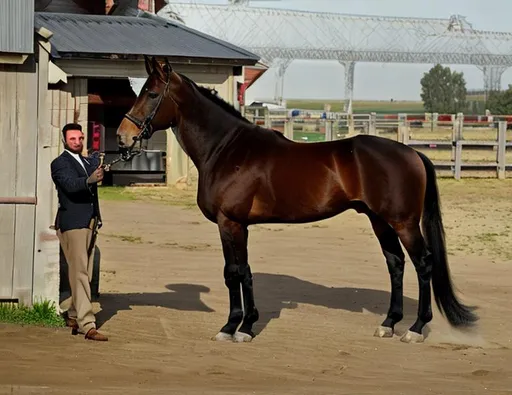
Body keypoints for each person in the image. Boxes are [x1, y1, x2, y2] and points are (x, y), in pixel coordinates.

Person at [50, 123, 108, 341]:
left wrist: (98, 164)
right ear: (65, 140)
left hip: (89, 222)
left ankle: (73, 314)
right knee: (80, 273)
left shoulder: (85, 161)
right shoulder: (59, 163)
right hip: (72, 223)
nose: (77, 142)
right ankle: (87, 324)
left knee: (84, 272)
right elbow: (70, 185)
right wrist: (89, 180)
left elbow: (94, 168)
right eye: (73, 139)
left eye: (80, 138)